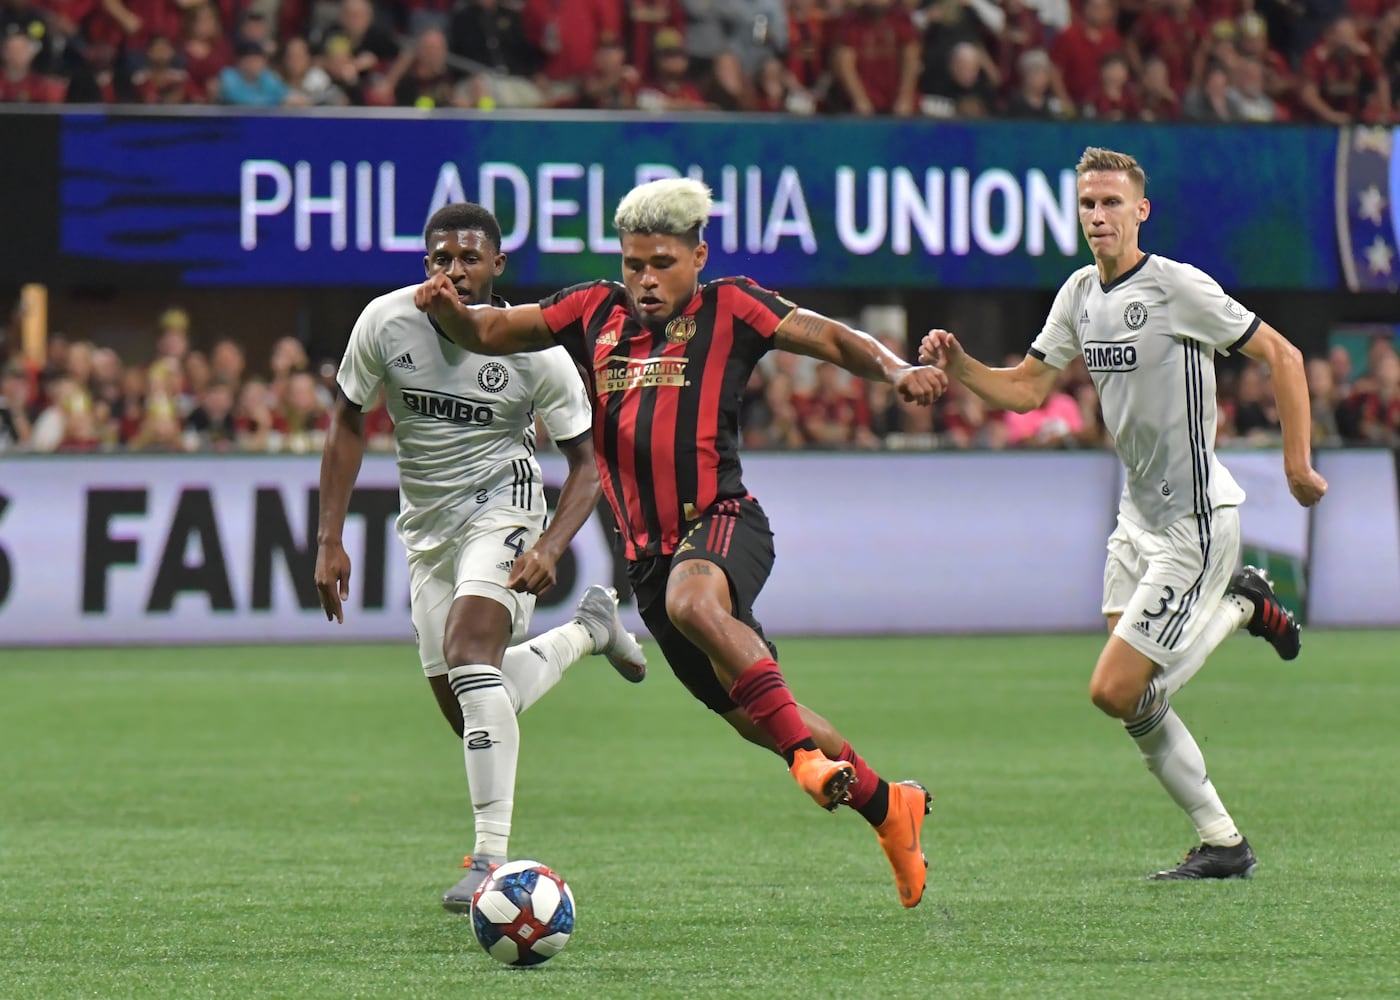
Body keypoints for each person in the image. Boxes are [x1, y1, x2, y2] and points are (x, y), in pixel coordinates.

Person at [414, 178, 948, 909]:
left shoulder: (732, 305)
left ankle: (804, 763)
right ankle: (890, 807)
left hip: (722, 521)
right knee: (766, 714)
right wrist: (452, 310)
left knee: (697, 603)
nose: (644, 280)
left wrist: (895, 369)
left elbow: (828, 336)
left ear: (698, 256)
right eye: (634, 263)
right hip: (649, 562)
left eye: (661, 263)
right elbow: (491, 333)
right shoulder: (591, 310)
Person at [919, 147, 1329, 880]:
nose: (1098, 216)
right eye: (1087, 204)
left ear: (1141, 211)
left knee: (1114, 689)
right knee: (1136, 704)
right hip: (1134, 521)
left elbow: (1284, 355)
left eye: (1112, 203)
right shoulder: (1079, 293)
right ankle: (1224, 843)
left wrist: (1298, 463)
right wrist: (961, 369)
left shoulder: (1177, 287)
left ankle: (1241, 603)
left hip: (1194, 524)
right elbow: (1026, 391)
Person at [314, 202, 648, 913]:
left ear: (497, 267)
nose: (454, 271)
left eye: (469, 258)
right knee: (474, 703)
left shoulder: (534, 345)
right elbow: (348, 421)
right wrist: (329, 538)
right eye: (441, 259)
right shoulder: (385, 322)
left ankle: (488, 862)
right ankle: (589, 630)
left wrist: (554, 545)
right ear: (425, 266)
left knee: (471, 657)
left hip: (507, 509)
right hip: (426, 531)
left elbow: (590, 465)